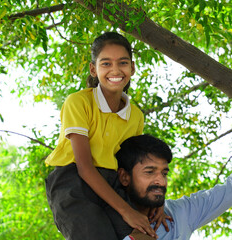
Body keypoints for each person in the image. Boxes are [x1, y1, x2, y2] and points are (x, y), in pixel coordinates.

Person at [45, 32, 170, 240]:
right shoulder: (78, 103)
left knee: (145, 235)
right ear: (94, 69)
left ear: (132, 68)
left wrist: (155, 199)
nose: (115, 70)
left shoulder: (136, 116)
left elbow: (134, 166)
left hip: (113, 184)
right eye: (106, 63)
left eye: (122, 63)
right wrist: (127, 211)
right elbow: (84, 167)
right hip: (73, 181)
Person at [116, 120, 232, 240]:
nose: (160, 181)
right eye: (149, 172)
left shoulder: (178, 213)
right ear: (124, 177)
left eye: (164, 173)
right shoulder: (103, 216)